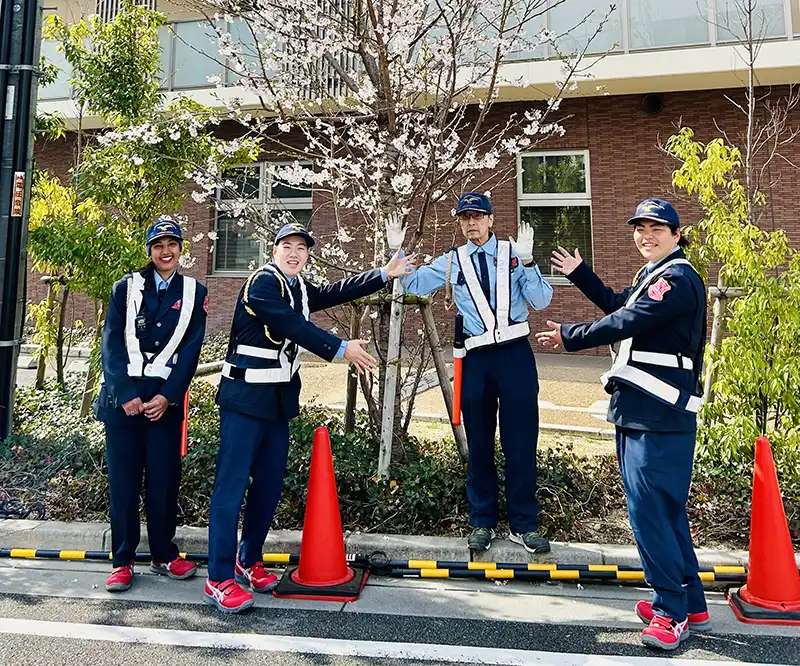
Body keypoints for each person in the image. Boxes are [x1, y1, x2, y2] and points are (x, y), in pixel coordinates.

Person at [204, 222, 415, 614]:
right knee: (231, 490)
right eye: (287, 246)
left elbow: (335, 291)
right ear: (274, 251)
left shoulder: (298, 287)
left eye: (301, 248)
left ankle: (248, 560)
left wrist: (383, 274)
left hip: (278, 402)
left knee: (268, 487)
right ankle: (218, 578)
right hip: (245, 399)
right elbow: (293, 326)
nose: (295, 253)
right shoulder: (262, 284)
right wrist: (339, 348)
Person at [535, 199, 710, 651]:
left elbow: (629, 319)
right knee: (665, 509)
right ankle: (689, 600)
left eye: (656, 228)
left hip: (657, 410)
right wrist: (581, 273)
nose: (645, 235)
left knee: (649, 510)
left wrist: (569, 335)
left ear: (676, 234)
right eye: (640, 227)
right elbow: (620, 306)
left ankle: (671, 612)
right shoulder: (652, 277)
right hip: (642, 407)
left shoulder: (677, 278)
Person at [396, 192, 554, 554]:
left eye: (477, 216)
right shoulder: (452, 261)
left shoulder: (514, 254)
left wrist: (529, 262)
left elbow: (542, 300)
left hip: (515, 354)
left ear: (491, 220)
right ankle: (482, 520)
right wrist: (396, 253)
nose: (471, 223)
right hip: (476, 358)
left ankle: (524, 524)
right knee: (479, 442)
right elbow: (412, 283)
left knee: (520, 441)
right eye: (465, 217)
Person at [95, 218, 208, 592]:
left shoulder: (195, 292)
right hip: (122, 405)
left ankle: (163, 553)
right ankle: (122, 560)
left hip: (164, 405)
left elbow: (192, 351)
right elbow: (110, 344)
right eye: (158, 245)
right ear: (149, 250)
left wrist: (167, 396)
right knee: (124, 485)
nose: (165, 251)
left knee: (163, 483)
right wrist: (125, 395)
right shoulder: (124, 289)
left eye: (171, 243)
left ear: (180, 248)